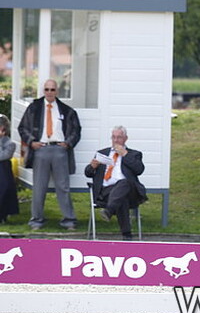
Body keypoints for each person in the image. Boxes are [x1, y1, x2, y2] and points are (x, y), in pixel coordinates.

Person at [18, 79, 81, 230]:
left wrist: (68, 143)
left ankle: (69, 219)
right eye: (47, 89)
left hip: (59, 150)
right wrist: (32, 142)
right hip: (41, 150)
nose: (49, 92)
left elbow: (76, 130)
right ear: (43, 90)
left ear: (57, 91)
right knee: (39, 187)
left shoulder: (66, 110)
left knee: (63, 187)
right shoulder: (34, 108)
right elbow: (22, 127)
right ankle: (37, 219)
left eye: (52, 89)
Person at [85, 126, 147, 240]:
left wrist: (125, 154)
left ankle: (109, 210)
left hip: (129, 190)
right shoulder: (102, 153)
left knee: (124, 183)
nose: (116, 140)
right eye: (113, 137)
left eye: (119, 137)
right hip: (106, 192)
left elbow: (139, 170)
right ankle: (127, 235)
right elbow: (88, 173)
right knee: (122, 198)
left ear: (125, 138)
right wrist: (92, 167)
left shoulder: (134, 154)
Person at [0, 114, 19, 223]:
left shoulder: (10, 144)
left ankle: (3, 215)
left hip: (3, 170)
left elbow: (3, 156)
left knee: (4, 187)